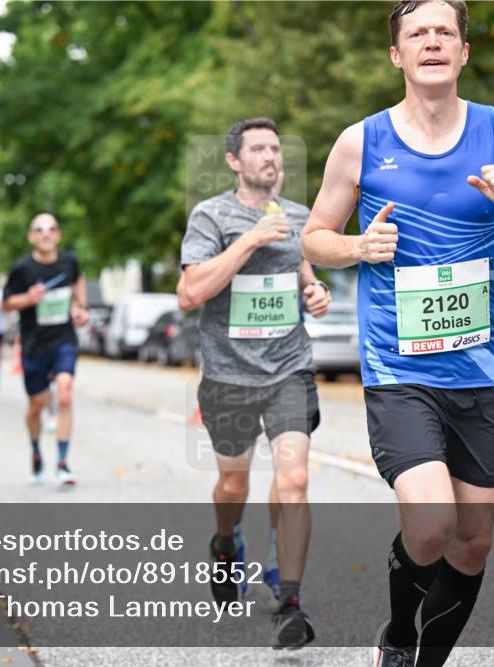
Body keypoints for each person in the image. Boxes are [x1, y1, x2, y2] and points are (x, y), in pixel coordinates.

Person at [300, 1, 494, 664]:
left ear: (465, 52)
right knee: (431, 523)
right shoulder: (362, 141)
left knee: (472, 541)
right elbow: (315, 238)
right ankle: (394, 635)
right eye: (418, 33)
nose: (434, 42)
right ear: (397, 55)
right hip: (400, 368)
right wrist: (358, 247)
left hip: (485, 369)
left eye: (446, 31)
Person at [178, 117, 331, 649]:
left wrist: (315, 293)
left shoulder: (299, 217)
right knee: (234, 485)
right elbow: (189, 292)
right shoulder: (211, 216)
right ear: (234, 161)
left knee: (293, 481)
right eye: (259, 149)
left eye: (276, 148)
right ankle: (226, 542)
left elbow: (304, 275)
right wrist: (249, 241)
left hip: (289, 366)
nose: (271, 157)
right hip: (228, 373)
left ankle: (289, 600)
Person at [3, 213, 89, 486]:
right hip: (34, 344)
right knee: (36, 405)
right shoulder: (22, 269)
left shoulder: (69, 262)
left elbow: (78, 281)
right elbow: (6, 303)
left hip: (63, 339)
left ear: (58, 235)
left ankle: (63, 463)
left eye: (51, 229)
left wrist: (80, 307)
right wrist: (27, 298)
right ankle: (37, 453)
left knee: (64, 395)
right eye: (39, 230)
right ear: (31, 236)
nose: (45, 234)